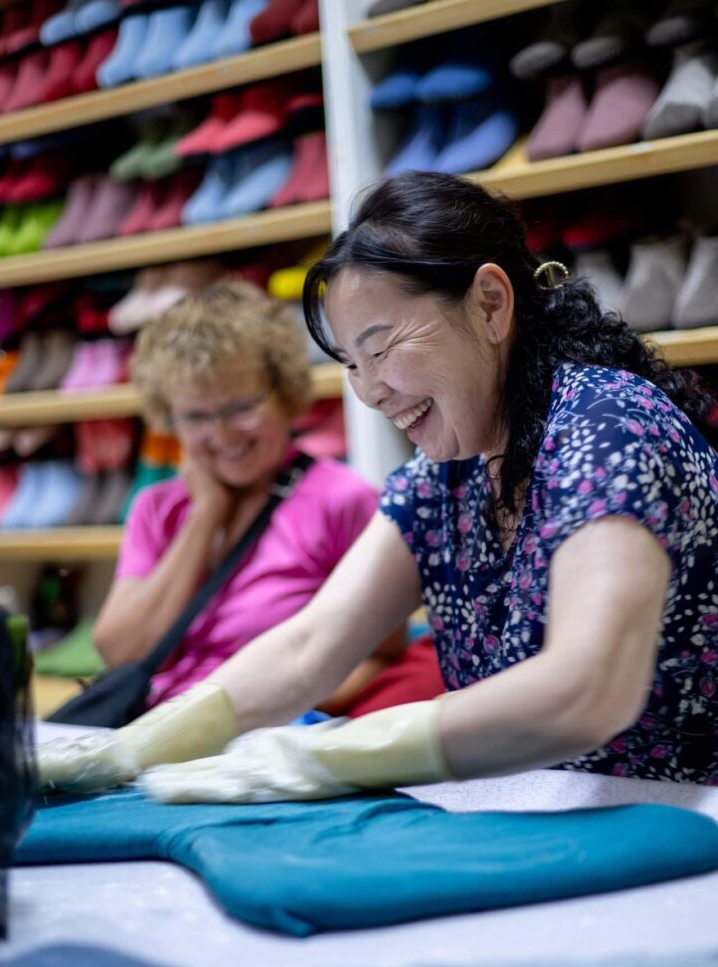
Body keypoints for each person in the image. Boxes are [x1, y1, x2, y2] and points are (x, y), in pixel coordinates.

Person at [39, 172, 718, 799]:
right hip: (552, 817)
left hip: (688, 827)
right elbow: (309, 647)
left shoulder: (609, 427)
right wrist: (131, 751)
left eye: (383, 347)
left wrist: (331, 755)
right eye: (352, 366)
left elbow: (589, 688)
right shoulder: (445, 476)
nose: (370, 393)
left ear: (489, 303)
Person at [91, 280, 433, 716]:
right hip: (158, 735)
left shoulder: (343, 500)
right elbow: (120, 651)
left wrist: (240, 716)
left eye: (240, 408)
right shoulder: (158, 508)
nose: (222, 435)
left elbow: (378, 657)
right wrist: (206, 516)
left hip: (268, 732)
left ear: (285, 394)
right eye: (196, 416)